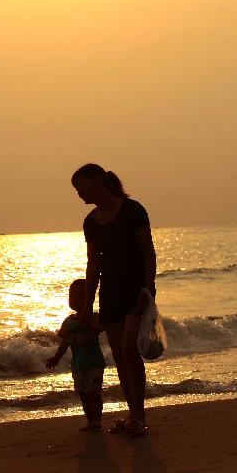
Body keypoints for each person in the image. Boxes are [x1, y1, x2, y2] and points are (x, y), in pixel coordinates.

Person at [70, 162, 157, 437]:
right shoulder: (91, 222)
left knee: (130, 350)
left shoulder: (133, 210)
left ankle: (140, 417)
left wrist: (149, 288)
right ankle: (133, 414)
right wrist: (87, 305)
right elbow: (93, 264)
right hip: (111, 292)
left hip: (135, 290)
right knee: (120, 356)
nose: (79, 192)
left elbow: (148, 251)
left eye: (81, 185)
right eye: (76, 188)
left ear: (98, 180)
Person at [46, 278, 106, 430]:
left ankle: (97, 420)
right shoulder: (68, 322)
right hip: (78, 365)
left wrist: (86, 321)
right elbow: (65, 342)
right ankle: (90, 420)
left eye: (80, 296)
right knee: (83, 394)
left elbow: (99, 329)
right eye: (72, 296)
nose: (75, 300)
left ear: (89, 299)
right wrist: (57, 357)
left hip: (94, 363)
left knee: (94, 392)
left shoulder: (94, 317)